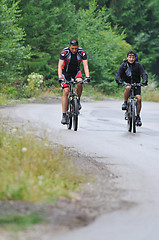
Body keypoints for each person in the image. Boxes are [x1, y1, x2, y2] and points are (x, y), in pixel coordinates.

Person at [58, 39, 90, 124]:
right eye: (72, 48)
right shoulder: (65, 52)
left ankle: (78, 100)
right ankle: (64, 115)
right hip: (65, 73)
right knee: (66, 91)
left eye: (76, 48)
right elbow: (60, 65)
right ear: (69, 47)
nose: (74, 50)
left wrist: (87, 76)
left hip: (76, 72)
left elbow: (85, 65)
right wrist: (60, 77)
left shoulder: (81, 52)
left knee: (80, 82)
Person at [116, 50, 148, 126]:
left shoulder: (138, 65)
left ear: (135, 58)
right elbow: (118, 74)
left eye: (133, 57)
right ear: (127, 57)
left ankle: (138, 116)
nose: (131, 59)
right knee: (128, 88)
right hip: (127, 83)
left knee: (139, 99)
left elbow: (143, 74)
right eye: (130, 57)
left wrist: (144, 81)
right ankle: (125, 102)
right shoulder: (123, 65)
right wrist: (120, 82)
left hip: (137, 84)